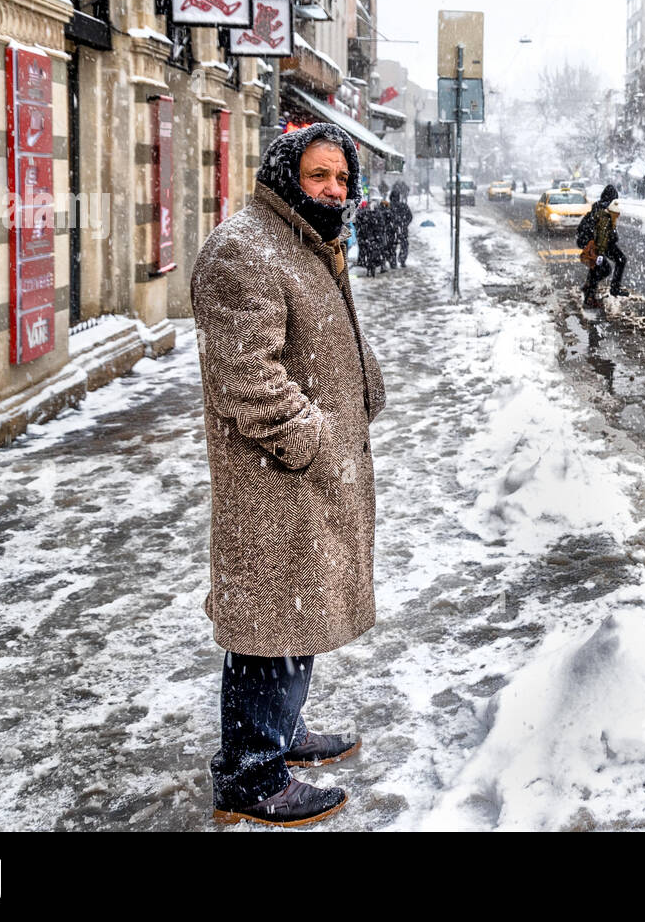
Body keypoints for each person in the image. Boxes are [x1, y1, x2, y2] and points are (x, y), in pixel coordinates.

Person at [189, 122, 386, 828]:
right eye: (319, 176)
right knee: (268, 622)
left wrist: (360, 398)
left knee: (295, 612)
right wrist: (312, 440)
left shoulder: (304, 241)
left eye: (343, 179)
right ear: (284, 175)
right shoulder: (244, 250)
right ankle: (249, 776)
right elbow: (246, 377)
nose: (335, 190)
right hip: (274, 481)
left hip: (307, 480)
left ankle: (281, 730)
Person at [578, 183, 628, 308]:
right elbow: (602, 234)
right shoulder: (604, 211)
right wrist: (599, 254)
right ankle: (591, 295)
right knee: (605, 267)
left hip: (592, 241)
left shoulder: (600, 206)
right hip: (595, 243)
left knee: (600, 267)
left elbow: (605, 233)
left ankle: (590, 288)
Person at [389, 181, 412, 267]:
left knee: (391, 245)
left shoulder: (389, 207)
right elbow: (410, 216)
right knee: (404, 245)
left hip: (392, 229)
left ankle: (393, 262)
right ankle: (402, 260)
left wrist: (390, 224)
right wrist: (405, 224)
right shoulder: (404, 206)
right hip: (402, 229)